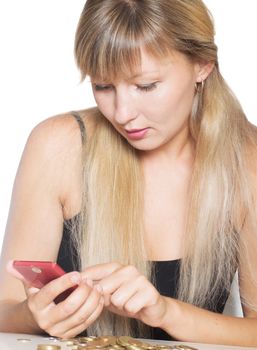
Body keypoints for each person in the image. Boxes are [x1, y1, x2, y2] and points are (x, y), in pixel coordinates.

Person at [0, 0, 257, 346]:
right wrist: (32, 315)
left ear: (202, 65)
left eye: (146, 85)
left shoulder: (247, 159)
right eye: (104, 86)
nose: (122, 114)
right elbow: (4, 306)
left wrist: (165, 311)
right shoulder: (58, 146)